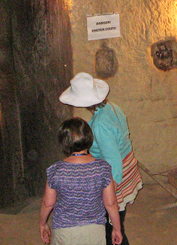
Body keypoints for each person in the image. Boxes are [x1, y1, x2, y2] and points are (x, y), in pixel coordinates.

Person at [59, 73, 143, 245]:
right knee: (115, 224)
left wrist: (111, 192)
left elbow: (113, 161)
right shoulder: (111, 107)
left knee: (112, 229)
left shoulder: (99, 126)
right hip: (128, 165)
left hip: (116, 176)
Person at [39, 118, 123, 245]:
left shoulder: (56, 170)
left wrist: (42, 223)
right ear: (89, 138)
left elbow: (48, 203)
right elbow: (110, 203)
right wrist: (117, 228)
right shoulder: (102, 168)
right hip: (94, 231)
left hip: (64, 232)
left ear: (63, 142)